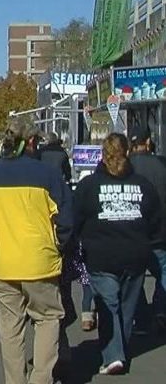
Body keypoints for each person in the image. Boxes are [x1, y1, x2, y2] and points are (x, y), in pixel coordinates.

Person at [0, 121, 72, 384]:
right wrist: (58, 247)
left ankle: (15, 381)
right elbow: (65, 220)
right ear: (32, 143)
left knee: (10, 329)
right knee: (47, 320)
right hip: (40, 263)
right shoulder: (47, 175)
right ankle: (40, 378)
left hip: (1, 264)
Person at [74, 133, 162, 375]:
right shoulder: (142, 186)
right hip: (135, 252)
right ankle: (118, 351)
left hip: (101, 254)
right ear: (128, 152)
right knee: (126, 304)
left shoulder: (88, 186)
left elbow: (76, 219)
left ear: (103, 154)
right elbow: (155, 221)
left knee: (109, 303)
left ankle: (114, 355)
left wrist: (78, 245)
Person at [126, 126, 166, 334]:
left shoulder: (124, 167)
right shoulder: (161, 164)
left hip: (132, 233)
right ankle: (161, 310)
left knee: (134, 277)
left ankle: (140, 316)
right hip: (160, 233)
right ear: (148, 142)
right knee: (164, 273)